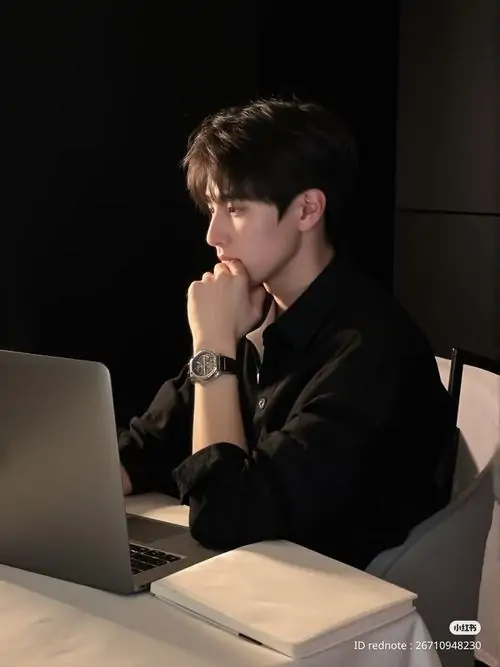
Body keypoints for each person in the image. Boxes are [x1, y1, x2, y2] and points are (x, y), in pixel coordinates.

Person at [119, 97, 456, 570]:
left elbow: (224, 517)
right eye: (212, 208)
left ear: (307, 210)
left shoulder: (372, 348)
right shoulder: (254, 312)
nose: (213, 235)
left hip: (331, 596)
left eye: (235, 208)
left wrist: (212, 346)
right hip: (252, 577)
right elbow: (145, 447)